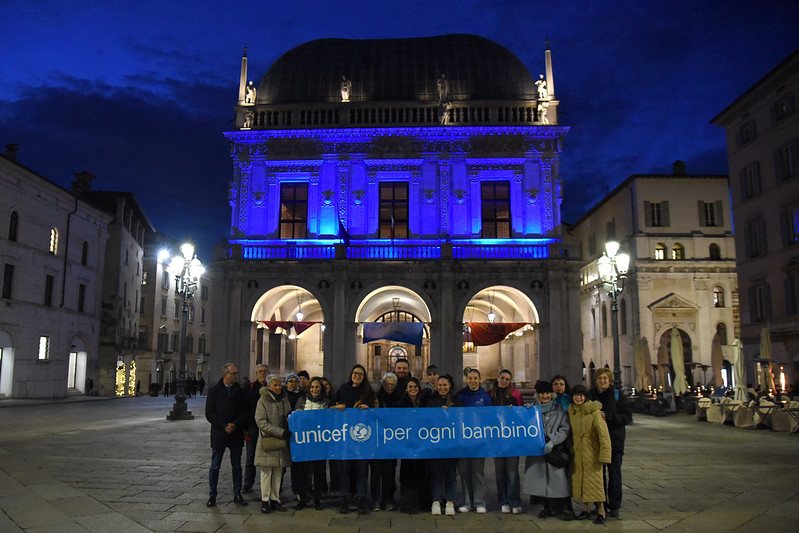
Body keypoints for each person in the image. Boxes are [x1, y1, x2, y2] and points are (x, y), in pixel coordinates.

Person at [331, 364, 378, 514]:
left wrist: (367, 408)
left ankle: (361, 498)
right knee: (344, 470)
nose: (357, 376)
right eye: (355, 373)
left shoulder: (368, 392)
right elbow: (330, 406)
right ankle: (344, 499)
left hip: (362, 438)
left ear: (364, 377)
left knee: (362, 471)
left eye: (360, 374)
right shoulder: (343, 388)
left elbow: (375, 412)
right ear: (351, 374)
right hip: (345, 437)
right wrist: (337, 407)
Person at [523, 380, 572, 520]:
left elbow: (564, 428)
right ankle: (546, 506)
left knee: (558, 480)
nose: (545, 396)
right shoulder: (532, 410)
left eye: (547, 393)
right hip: (537, 450)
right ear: (537, 395)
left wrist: (553, 441)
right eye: (542, 394)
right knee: (541, 479)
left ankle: (564, 506)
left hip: (554, 449)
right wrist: (523, 413)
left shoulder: (559, 410)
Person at [589, 368, 632, 519]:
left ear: (610, 380)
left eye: (605, 379)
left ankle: (615, 505)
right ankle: (600, 505)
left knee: (614, 474)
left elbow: (627, 417)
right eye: (600, 378)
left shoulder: (617, 395)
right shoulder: (590, 395)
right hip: (596, 442)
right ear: (596, 380)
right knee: (598, 476)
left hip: (615, 441)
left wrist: (609, 416)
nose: (603, 381)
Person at [205, 363, 248, 508]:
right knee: (215, 466)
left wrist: (235, 424)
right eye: (233, 373)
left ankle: (237, 493)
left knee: (236, 466)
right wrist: (224, 426)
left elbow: (244, 412)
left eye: (236, 373)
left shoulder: (240, 391)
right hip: (219, 433)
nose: (236, 375)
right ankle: (212, 495)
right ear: (225, 375)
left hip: (235, 434)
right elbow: (209, 413)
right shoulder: (214, 391)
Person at [568, 384, 612, 524]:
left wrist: (605, 454)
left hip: (592, 452)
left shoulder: (593, 412)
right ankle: (585, 509)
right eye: (576, 395)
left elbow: (603, 434)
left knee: (595, 483)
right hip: (578, 452)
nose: (579, 398)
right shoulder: (572, 412)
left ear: (586, 397)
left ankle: (601, 510)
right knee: (581, 482)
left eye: (581, 395)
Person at [456, 368, 492, 514]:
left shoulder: (485, 398)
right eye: (470, 378)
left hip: (478, 441)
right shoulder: (461, 396)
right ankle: (467, 502)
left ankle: (479, 502)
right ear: (467, 380)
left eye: (475, 378)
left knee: (477, 472)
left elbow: (489, 418)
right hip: (463, 441)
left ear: (479, 379)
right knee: (464, 472)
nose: (472, 381)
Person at [255, 374, 292, 514]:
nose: (277, 388)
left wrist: (293, 419)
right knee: (266, 472)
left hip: (281, 440)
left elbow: (288, 414)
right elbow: (261, 422)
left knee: (278, 470)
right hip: (269, 440)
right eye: (274, 385)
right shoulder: (263, 400)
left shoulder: (284, 399)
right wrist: (280, 432)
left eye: (279, 385)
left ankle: (275, 499)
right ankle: (265, 500)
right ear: (269, 386)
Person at [424, 373, 459, 516]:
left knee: (451, 474)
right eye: (440, 385)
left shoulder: (456, 401)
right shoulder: (432, 401)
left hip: (451, 444)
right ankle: (436, 501)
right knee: (436, 474)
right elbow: (426, 419)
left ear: (449, 386)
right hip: (436, 445)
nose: (442, 388)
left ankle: (450, 501)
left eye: (445, 385)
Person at [489, 369, 523, 514]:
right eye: (502, 378)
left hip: (511, 438)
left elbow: (522, 413)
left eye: (507, 379)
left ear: (510, 381)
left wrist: (514, 410)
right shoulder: (491, 395)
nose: (504, 381)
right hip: (497, 439)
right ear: (497, 379)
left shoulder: (516, 394)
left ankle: (515, 501)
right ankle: (503, 501)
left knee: (512, 472)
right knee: (500, 472)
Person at [293, 376, 330, 510]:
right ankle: (302, 498)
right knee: (302, 471)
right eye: (312, 387)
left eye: (317, 387)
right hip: (304, 442)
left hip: (319, 442)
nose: (314, 389)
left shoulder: (326, 402)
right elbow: (295, 419)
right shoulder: (302, 400)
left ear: (321, 389)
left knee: (319, 471)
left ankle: (317, 498)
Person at [396, 377, 429, 514]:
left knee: (421, 471)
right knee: (408, 471)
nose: (413, 389)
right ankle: (408, 504)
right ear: (406, 389)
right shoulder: (402, 403)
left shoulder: (422, 402)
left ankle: (421, 502)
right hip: (408, 443)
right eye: (410, 387)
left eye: (415, 386)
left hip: (421, 442)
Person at [371, 373, 401, 510]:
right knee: (376, 471)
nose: (389, 386)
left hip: (392, 441)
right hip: (377, 440)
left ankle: (387, 498)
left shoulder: (398, 399)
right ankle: (375, 499)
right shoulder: (375, 398)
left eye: (392, 384)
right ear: (383, 384)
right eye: (387, 384)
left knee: (389, 472)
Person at [243, 363, 269, 494]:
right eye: (260, 371)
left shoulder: (272, 387)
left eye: (264, 371)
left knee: (270, 458)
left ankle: (270, 484)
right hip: (252, 428)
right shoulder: (250, 388)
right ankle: (248, 483)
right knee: (250, 459)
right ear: (256, 373)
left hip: (268, 429)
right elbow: (246, 409)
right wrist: (248, 427)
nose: (262, 373)